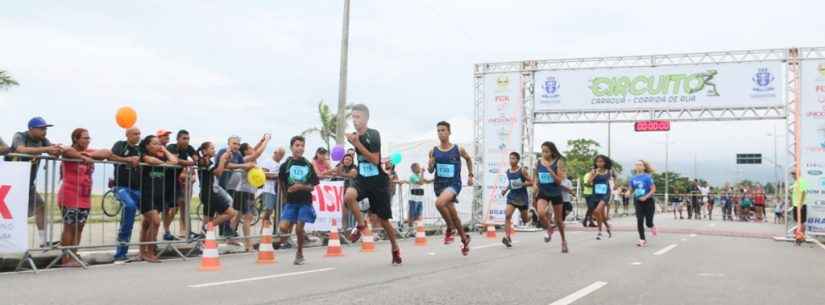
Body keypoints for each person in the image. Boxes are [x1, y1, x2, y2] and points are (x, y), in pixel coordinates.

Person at [343, 104, 402, 265]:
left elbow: (375, 160)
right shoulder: (354, 136)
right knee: (348, 196)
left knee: (383, 220)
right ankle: (361, 226)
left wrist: (357, 144)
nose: (355, 120)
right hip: (362, 180)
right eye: (353, 117)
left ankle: (395, 247)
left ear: (366, 119)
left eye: (358, 117)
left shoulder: (373, 134)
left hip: (378, 182)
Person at [56, 128, 111, 267]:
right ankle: (65, 258)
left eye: (89, 138)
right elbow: (66, 150)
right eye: (85, 138)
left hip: (84, 197)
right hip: (69, 194)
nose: (88, 140)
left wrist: (86, 155)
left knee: (79, 227)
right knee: (70, 227)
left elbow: (107, 152)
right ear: (76, 139)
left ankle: (73, 254)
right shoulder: (69, 152)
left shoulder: (89, 152)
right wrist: (84, 157)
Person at [7, 117, 63, 248]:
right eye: (42, 128)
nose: (45, 131)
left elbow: (53, 154)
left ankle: (43, 241)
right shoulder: (20, 136)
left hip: (28, 183)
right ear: (31, 129)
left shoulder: (43, 140)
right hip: (11, 183)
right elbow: (21, 150)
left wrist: (57, 150)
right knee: (11, 214)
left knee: (41, 207)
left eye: (46, 129)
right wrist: (46, 149)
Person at [428, 121, 474, 256]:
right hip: (439, 186)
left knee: (439, 203)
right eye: (438, 131)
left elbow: (468, 159)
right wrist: (430, 164)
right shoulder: (433, 151)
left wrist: (470, 175)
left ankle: (450, 229)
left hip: (454, 184)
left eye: (443, 130)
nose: (440, 133)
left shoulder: (458, 149)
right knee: (454, 215)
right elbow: (431, 170)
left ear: (449, 132)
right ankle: (465, 239)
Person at [276, 136, 320, 265]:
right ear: (291, 147)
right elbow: (282, 182)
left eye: (302, 145)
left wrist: (301, 186)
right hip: (291, 202)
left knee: (299, 229)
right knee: (283, 227)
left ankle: (299, 253)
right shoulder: (286, 165)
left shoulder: (308, 165)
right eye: (297, 145)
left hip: (305, 202)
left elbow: (313, 186)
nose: (300, 148)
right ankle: (281, 241)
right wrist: (285, 196)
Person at [138, 135, 178, 262]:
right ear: (147, 145)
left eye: (159, 143)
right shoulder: (142, 154)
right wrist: (164, 163)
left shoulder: (161, 155)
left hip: (159, 194)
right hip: (146, 193)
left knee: (146, 224)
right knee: (155, 221)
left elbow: (175, 161)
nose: (158, 146)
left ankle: (142, 252)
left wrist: (165, 150)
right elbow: (150, 161)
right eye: (154, 143)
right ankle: (149, 252)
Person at [228, 135, 270, 251]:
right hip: (243, 192)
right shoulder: (246, 159)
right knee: (248, 217)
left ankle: (230, 237)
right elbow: (257, 153)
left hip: (247, 191)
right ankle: (248, 244)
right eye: (251, 147)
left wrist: (260, 141)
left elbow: (255, 151)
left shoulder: (247, 157)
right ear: (246, 151)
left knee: (238, 216)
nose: (254, 148)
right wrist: (266, 141)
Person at [110, 127, 142, 261]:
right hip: (121, 187)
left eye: (139, 134)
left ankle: (146, 250)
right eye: (135, 134)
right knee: (129, 207)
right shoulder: (120, 145)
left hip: (138, 188)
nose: (138, 136)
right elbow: (111, 156)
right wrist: (128, 159)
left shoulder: (140, 149)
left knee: (152, 215)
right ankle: (120, 253)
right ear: (127, 135)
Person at [195, 141, 238, 238]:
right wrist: (222, 158)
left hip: (207, 193)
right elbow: (218, 172)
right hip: (211, 193)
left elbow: (220, 168)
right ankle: (207, 227)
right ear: (205, 150)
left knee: (208, 220)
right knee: (231, 213)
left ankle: (202, 241)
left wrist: (226, 159)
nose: (214, 150)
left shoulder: (207, 160)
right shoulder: (204, 161)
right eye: (212, 148)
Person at [534, 141, 568, 253]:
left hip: (555, 193)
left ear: (552, 152)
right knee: (540, 213)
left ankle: (563, 241)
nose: (544, 153)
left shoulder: (558, 162)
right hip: (543, 192)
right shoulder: (538, 162)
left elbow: (559, 181)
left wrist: (551, 171)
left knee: (559, 221)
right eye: (542, 151)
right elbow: (535, 177)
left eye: (546, 151)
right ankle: (549, 228)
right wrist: (535, 186)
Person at [165, 130, 199, 240]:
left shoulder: (188, 148)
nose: (186, 141)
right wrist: (188, 163)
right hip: (167, 179)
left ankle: (185, 231)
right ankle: (166, 230)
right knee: (172, 208)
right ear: (178, 139)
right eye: (184, 138)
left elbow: (196, 158)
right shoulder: (172, 147)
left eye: (188, 138)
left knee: (182, 205)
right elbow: (175, 160)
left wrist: (195, 159)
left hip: (177, 181)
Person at [500, 152, 533, 248]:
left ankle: (532, 214)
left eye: (513, 158)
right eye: (510, 158)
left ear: (518, 160)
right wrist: (505, 190)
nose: (511, 160)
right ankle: (507, 237)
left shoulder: (522, 171)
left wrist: (522, 184)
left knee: (525, 219)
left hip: (522, 198)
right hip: (512, 197)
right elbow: (511, 184)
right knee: (507, 215)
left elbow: (531, 182)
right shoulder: (508, 172)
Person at [627, 160, 657, 247]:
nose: (638, 166)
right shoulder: (632, 178)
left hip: (649, 201)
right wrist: (628, 193)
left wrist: (646, 197)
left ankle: (652, 226)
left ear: (644, 167)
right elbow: (631, 189)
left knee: (648, 222)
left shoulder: (648, 177)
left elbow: (653, 189)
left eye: (640, 165)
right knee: (639, 220)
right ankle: (642, 240)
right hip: (638, 201)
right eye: (636, 165)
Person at [588, 155, 614, 240]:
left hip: (605, 194)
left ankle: (600, 231)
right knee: (601, 214)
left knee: (597, 211)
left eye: (601, 161)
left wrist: (614, 186)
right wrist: (595, 174)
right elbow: (589, 182)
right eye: (597, 161)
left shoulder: (609, 171)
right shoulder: (593, 171)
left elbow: (613, 181)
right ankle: (604, 228)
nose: (599, 163)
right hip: (596, 194)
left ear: (605, 162)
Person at [260, 147, 285, 227]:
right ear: (275, 152)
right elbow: (263, 174)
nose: (281, 156)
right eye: (280, 154)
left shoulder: (280, 165)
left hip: (278, 191)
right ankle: (263, 230)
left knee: (278, 212)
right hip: (268, 189)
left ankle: (276, 231)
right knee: (268, 209)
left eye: (282, 155)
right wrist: (276, 176)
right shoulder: (267, 161)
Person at [406, 162, 430, 232]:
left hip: (419, 199)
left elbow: (427, 181)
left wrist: (436, 179)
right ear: (414, 169)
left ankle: (417, 228)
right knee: (412, 214)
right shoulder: (412, 176)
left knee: (418, 214)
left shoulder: (419, 176)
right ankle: (410, 229)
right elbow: (421, 182)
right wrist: (422, 173)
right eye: (418, 167)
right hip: (413, 199)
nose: (420, 168)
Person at [791, 170, 808, 241]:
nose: (793, 176)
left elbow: (803, 192)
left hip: (801, 205)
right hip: (795, 204)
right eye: (792, 174)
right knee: (797, 221)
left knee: (802, 221)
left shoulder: (801, 181)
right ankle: (798, 234)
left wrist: (800, 204)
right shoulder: (796, 182)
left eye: (794, 174)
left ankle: (802, 235)